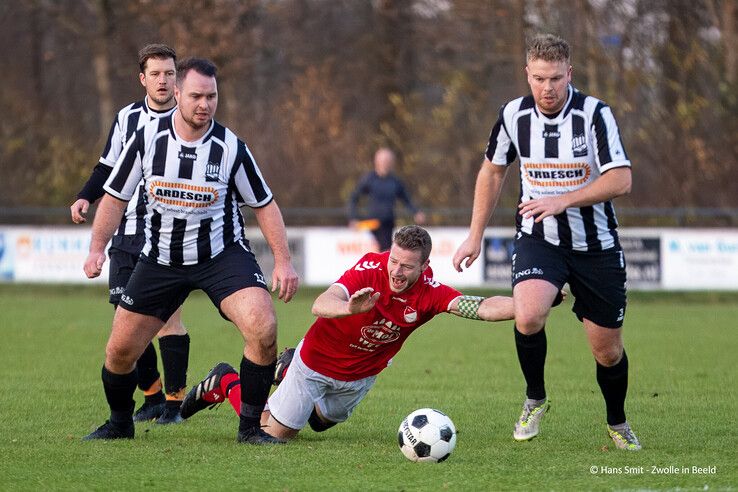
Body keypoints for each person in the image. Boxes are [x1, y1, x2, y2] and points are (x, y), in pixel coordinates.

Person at [81, 57, 299, 445]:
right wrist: (97, 248)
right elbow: (115, 198)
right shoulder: (147, 140)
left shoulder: (231, 148)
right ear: (178, 93)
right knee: (119, 353)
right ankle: (119, 424)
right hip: (161, 259)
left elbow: (265, 204)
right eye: (197, 95)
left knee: (263, 329)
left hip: (222, 256)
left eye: (212, 96)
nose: (205, 104)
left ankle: (250, 429)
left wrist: (283, 261)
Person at [452, 34, 640, 450]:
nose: (547, 88)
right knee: (529, 315)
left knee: (607, 352)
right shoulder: (512, 115)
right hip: (540, 238)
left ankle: (617, 421)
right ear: (527, 74)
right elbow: (492, 171)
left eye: (555, 78)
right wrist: (474, 235)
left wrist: (564, 200)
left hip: (596, 245)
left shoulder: (595, 115)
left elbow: (621, 179)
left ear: (569, 74)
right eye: (539, 79)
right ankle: (535, 397)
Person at [177, 225, 518, 441]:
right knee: (275, 435)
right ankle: (225, 381)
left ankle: (283, 369)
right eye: (394, 261)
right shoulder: (370, 267)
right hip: (315, 364)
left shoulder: (432, 293)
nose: (396, 271)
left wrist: (528, 305)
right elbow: (321, 303)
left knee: (322, 423)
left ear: (424, 266)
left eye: (406, 266)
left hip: (359, 378)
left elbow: (483, 307)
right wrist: (349, 309)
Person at [71, 44, 190, 424]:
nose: (163, 80)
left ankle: (175, 403)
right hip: (126, 232)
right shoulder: (127, 118)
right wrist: (85, 196)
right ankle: (152, 396)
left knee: (167, 319)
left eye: (170, 73)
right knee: (126, 323)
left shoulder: (189, 118)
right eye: (155, 74)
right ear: (143, 79)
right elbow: (107, 165)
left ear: (177, 79)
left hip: (168, 233)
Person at [348, 148, 425, 251]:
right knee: (375, 254)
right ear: (376, 161)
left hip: (388, 223)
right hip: (372, 223)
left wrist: (416, 212)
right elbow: (354, 198)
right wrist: (353, 217)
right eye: (383, 161)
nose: (385, 164)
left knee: (386, 252)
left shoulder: (395, 182)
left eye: (388, 161)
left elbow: (406, 199)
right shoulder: (369, 179)